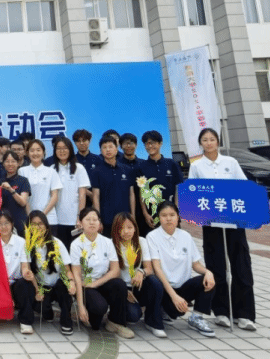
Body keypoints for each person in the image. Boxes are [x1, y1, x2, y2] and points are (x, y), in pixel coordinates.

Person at [188, 128, 256, 331]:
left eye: (212, 139)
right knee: (216, 265)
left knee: (241, 265)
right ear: (201, 143)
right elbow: (193, 192)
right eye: (205, 140)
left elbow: (244, 187)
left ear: (218, 142)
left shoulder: (230, 162)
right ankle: (221, 311)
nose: (209, 143)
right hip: (212, 222)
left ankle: (244, 314)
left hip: (234, 220)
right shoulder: (197, 166)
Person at [147, 202, 217, 337]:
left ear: (178, 217)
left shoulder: (186, 236)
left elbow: (195, 264)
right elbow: (157, 268)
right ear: (159, 218)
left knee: (208, 280)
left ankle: (196, 317)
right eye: (164, 215)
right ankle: (163, 311)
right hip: (165, 289)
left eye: (172, 215)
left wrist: (208, 272)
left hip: (183, 287)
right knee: (175, 309)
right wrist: (174, 297)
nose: (168, 219)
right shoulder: (152, 236)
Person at [70, 207, 134, 338]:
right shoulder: (76, 245)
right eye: (88, 219)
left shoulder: (107, 242)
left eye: (95, 219)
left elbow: (115, 270)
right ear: (81, 223)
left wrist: (96, 283)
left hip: (101, 282)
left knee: (119, 284)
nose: (92, 222)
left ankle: (116, 323)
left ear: (100, 223)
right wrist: (80, 306)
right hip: (86, 286)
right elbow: (76, 275)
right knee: (97, 318)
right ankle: (89, 312)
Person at [109, 212, 166, 337]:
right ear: (116, 229)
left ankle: (154, 323)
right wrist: (124, 291)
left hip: (138, 284)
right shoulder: (111, 244)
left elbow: (149, 268)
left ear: (135, 228)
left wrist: (141, 272)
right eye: (122, 228)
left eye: (130, 227)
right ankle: (115, 316)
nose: (126, 231)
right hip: (121, 288)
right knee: (134, 316)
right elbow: (110, 273)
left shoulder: (141, 242)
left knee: (155, 282)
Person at [25, 211, 76, 335]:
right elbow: (30, 272)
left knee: (65, 288)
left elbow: (67, 269)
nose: (37, 227)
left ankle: (66, 321)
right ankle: (48, 312)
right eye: (33, 224)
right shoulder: (27, 246)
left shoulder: (56, 243)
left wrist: (71, 282)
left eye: (40, 224)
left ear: (46, 226)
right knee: (40, 307)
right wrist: (37, 290)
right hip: (41, 285)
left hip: (58, 284)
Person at [0, 209, 36, 334]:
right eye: (0, 223)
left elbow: (25, 266)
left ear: (12, 224)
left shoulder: (22, 242)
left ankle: (26, 322)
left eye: (6, 223)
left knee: (24, 284)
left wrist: (26, 273)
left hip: (15, 283)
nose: (3, 227)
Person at [138, 130, 184, 233]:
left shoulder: (171, 164)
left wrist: (176, 210)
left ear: (160, 143)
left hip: (170, 214)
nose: (150, 146)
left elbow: (178, 188)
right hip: (152, 216)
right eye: (147, 143)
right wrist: (145, 214)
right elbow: (141, 192)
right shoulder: (142, 167)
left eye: (153, 143)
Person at [51, 137, 90, 248]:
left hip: (74, 221)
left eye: (65, 148)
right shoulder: (51, 169)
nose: (62, 151)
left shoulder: (79, 168)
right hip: (56, 220)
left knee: (76, 251)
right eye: (58, 148)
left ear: (70, 150)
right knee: (59, 251)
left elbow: (82, 195)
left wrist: (80, 217)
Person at [91, 136, 135, 230]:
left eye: (110, 147)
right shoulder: (96, 171)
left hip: (125, 218)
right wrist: (98, 219)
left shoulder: (127, 169)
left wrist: (133, 216)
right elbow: (95, 197)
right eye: (104, 147)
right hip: (106, 219)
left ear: (116, 149)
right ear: (101, 151)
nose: (108, 150)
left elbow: (131, 194)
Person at [18, 140, 62, 234]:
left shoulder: (51, 171)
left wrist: (42, 215)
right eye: (32, 150)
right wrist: (31, 216)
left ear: (43, 152)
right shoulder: (22, 171)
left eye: (38, 150)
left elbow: (55, 196)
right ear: (27, 153)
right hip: (29, 219)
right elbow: (23, 197)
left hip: (49, 219)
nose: (35, 153)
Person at [0, 151, 31, 235]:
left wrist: (10, 189)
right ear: (3, 163)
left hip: (19, 223)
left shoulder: (23, 180)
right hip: (3, 223)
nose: (10, 164)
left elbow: (23, 202)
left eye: (13, 161)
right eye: (7, 161)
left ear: (18, 164)